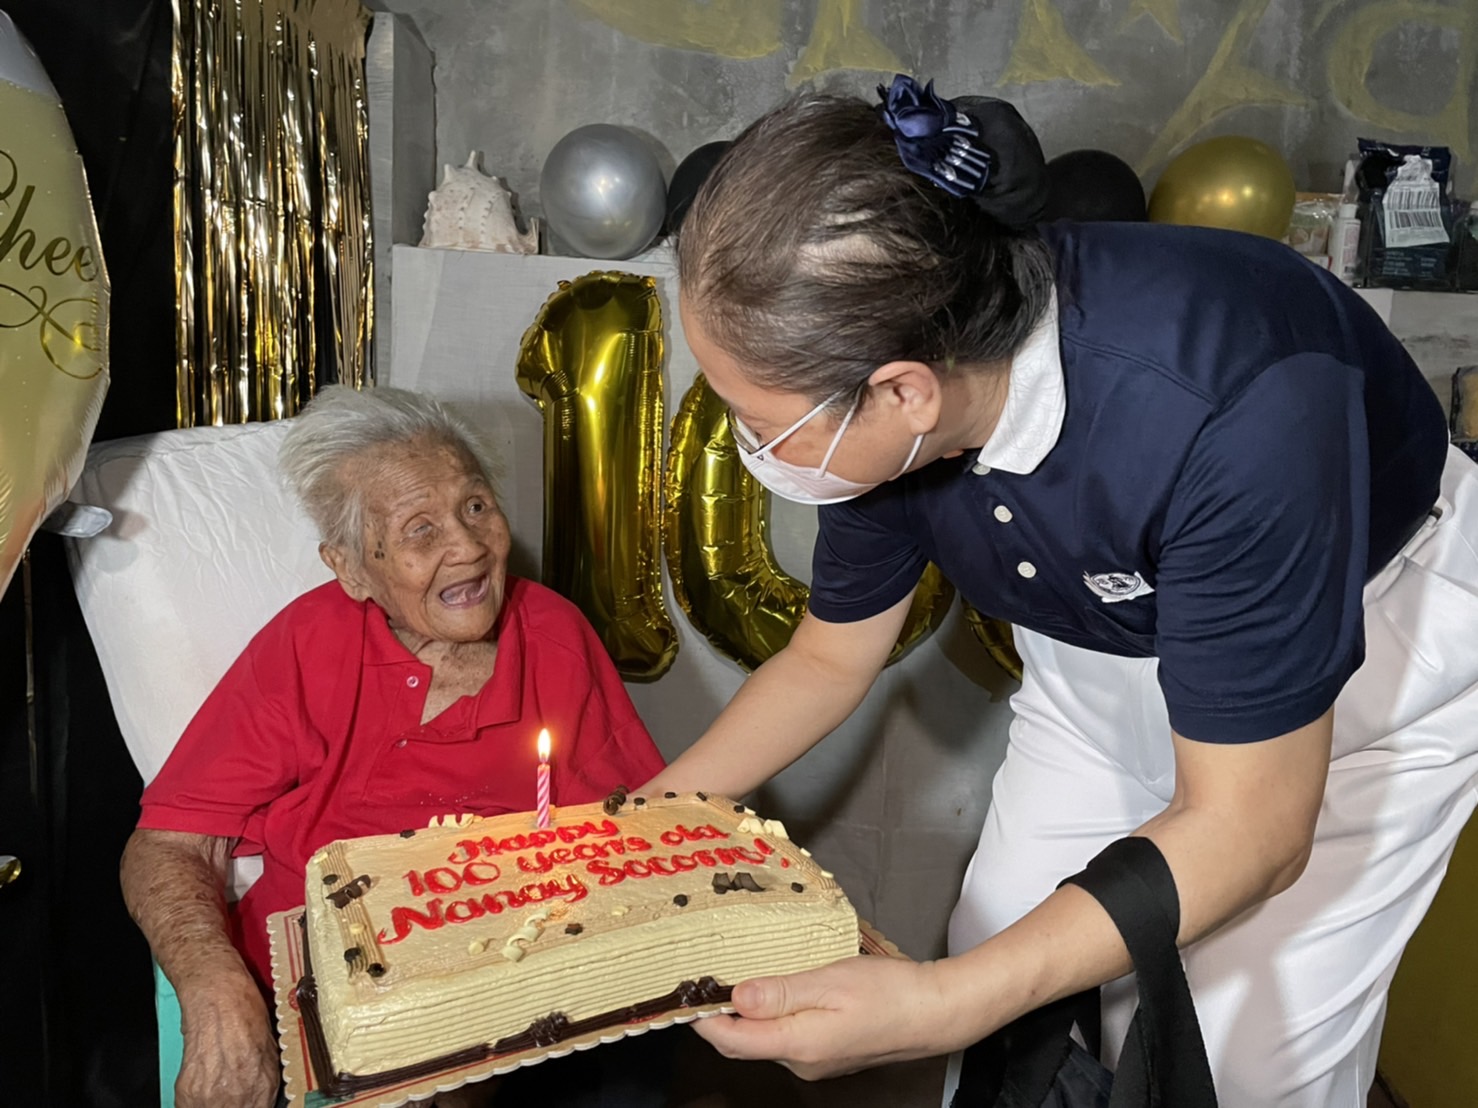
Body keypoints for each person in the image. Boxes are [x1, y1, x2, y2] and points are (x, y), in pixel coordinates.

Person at [643, 75, 1478, 1106]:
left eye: (756, 420)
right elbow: (828, 654)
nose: (747, 446)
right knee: (1002, 956)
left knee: (1243, 1059)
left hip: (1359, 654)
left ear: (903, 388)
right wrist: (641, 825)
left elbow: (1248, 828)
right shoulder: (885, 383)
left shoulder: (1239, 402)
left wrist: (941, 1002)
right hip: (1098, 649)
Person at [120, 386, 668, 1108]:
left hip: (518, 994)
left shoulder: (555, 635)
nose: (469, 547)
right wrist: (218, 991)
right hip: (320, 994)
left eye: (475, 506)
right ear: (350, 568)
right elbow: (168, 845)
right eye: (420, 529)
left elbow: (638, 841)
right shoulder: (305, 646)